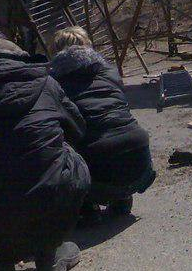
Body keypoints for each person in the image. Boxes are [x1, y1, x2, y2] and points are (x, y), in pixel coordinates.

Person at [0, 36, 90, 271]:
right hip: (47, 199)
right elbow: (78, 129)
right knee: (64, 153)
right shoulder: (47, 83)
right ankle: (47, 254)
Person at [50, 27, 156, 221]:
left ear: (56, 52)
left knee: (59, 140)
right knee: (114, 126)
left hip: (99, 163)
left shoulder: (54, 82)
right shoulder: (109, 72)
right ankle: (122, 195)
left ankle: (86, 205)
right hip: (140, 160)